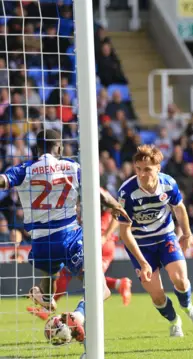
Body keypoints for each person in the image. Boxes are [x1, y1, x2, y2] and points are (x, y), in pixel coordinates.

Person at [0, 130, 131, 343]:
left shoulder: (25, 170)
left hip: (41, 242)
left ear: (36, 149)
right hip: (69, 236)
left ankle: (43, 297)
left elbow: (3, 181)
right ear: (59, 148)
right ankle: (77, 316)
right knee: (100, 288)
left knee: (50, 291)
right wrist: (115, 206)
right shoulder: (72, 167)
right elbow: (97, 193)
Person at [117, 145, 193, 337]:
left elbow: (179, 207)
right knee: (157, 295)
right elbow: (124, 232)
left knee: (180, 280)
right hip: (141, 245)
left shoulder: (168, 184)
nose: (142, 174)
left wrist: (187, 233)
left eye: (147, 169)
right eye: (138, 169)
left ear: (158, 168)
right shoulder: (127, 192)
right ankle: (175, 322)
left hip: (165, 236)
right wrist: (142, 262)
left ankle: (188, 307)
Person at [27, 204, 133, 321]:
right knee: (76, 276)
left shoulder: (93, 193)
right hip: (92, 241)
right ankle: (118, 284)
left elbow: (116, 209)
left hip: (100, 243)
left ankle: (73, 313)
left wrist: (106, 235)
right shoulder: (86, 196)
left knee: (91, 280)